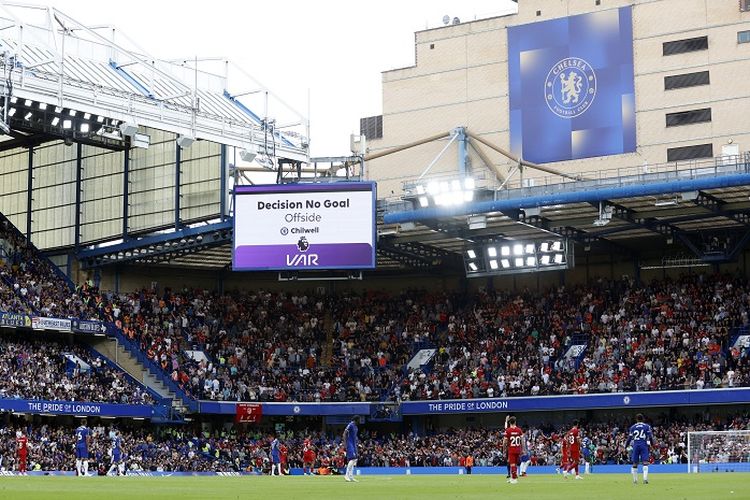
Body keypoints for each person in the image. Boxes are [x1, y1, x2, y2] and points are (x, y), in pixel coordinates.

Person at [625, 413, 654, 484]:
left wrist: (626, 446)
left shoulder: (632, 427)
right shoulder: (647, 426)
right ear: (643, 419)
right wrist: (652, 445)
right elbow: (650, 437)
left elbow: (629, 438)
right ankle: (645, 479)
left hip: (636, 445)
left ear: (636, 419)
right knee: (645, 462)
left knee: (635, 463)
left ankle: (635, 481)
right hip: (643, 445)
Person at [503, 415, 524, 484]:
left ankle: (514, 479)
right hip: (518, 449)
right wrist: (523, 449)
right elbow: (522, 440)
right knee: (515, 464)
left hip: (511, 449)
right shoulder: (519, 430)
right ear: (515, 422)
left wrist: (504, 449)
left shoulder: (508, 430)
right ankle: (512, 477)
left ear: (509, 422)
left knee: (512, 464)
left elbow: (505, 441)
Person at [343, 416, 360, 482]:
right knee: (352, 459)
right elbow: (344, 434)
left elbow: (354, 436)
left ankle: (351, 476)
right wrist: (345, 444)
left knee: (355, 459)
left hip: (354, 444)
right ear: (356, 420)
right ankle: (346, 475)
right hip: (349, 444)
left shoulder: (356, 427)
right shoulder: (350, 425)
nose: (359, 421)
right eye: (359, 419)